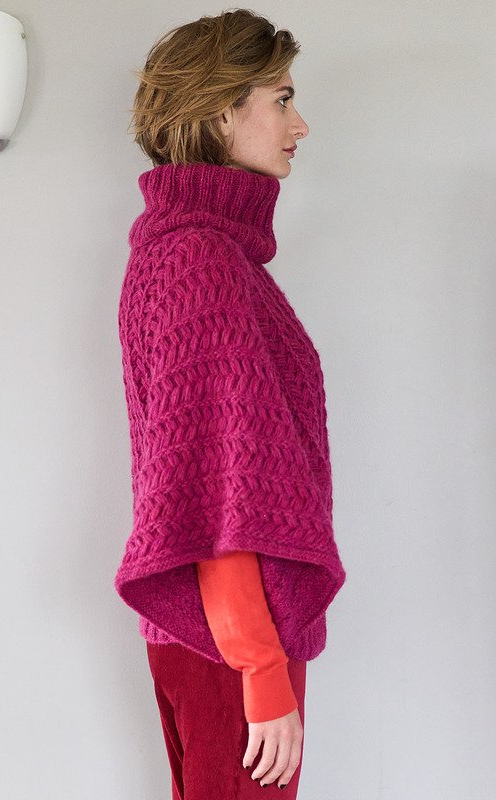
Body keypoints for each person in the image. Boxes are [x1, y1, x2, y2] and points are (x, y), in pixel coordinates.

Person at [113, 9, 347, 799]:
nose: (299, 124)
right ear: (220, 112)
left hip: (214, 637)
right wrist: (262, 667)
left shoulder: (178, 249)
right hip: (233, 645)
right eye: (281, 99)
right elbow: (212, 495)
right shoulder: (200, 262)